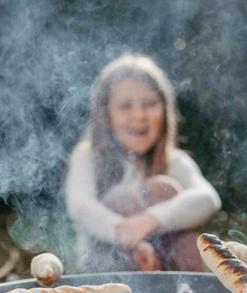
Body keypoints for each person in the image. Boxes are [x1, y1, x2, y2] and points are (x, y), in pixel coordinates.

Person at [65, 54, 221, 272]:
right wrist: (124, 234)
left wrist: (151, 220)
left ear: (165, 111)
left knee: (160, 189)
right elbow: (80, 206)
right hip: (106, 274)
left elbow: (207, 198)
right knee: (121, 198)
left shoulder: (174, 160)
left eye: (149, 104)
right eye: (125, 106)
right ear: (105, 114)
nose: (139, 115)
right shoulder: (88, 155)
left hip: (167, 272)